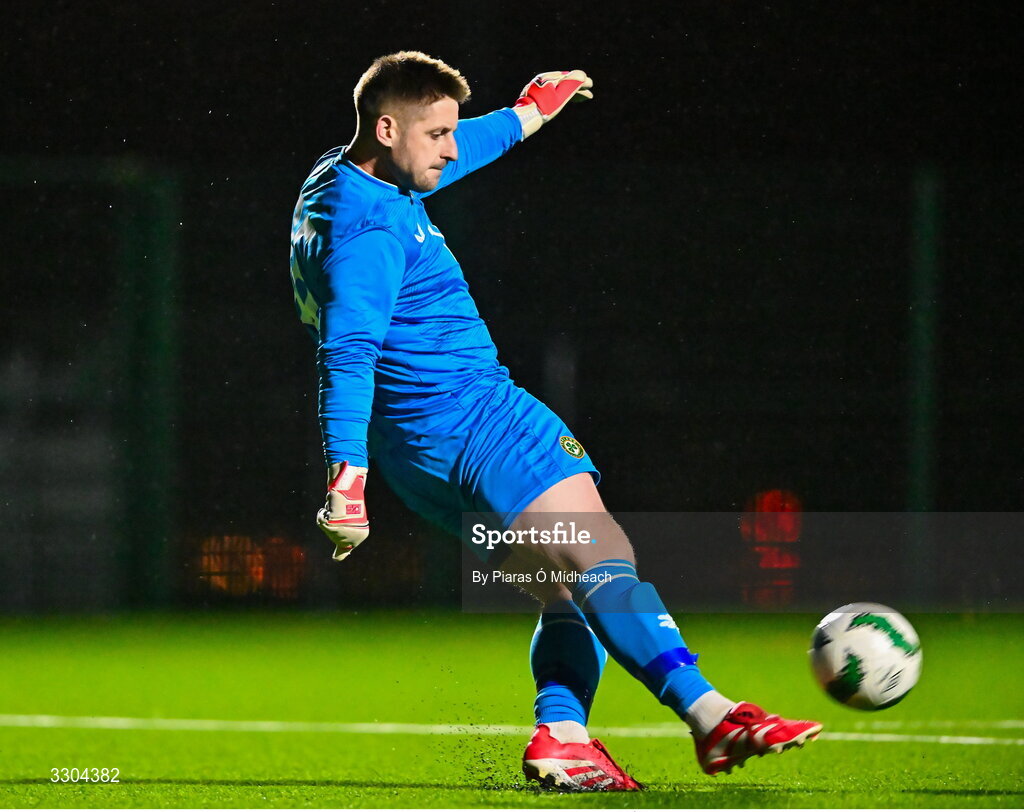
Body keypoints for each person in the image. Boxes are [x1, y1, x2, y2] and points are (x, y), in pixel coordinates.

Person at [289, 50, 821, 792]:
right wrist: (346, 480)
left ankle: (564, 737)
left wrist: (531, 112)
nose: (450, 146)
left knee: (566, 589)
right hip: (477, 420)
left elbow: (462, 149)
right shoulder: (372, 230)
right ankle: (713, 718)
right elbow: (347, 349)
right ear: (387, 128)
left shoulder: (337, 178)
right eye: (436, 133)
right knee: (603, 556)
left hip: (419, 452)